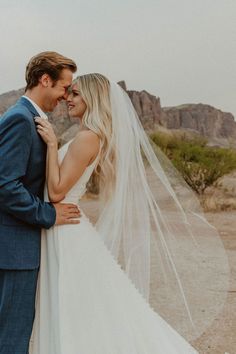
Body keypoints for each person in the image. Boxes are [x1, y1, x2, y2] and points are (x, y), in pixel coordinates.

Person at [31, 73, 228, 353]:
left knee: (77, 308)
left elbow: (57, 192)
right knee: (84, 308)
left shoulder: (87, 138)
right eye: (69, 93)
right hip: (64, 227)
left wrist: (51, 145)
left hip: (67, 231)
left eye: (76, 94)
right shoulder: (87, 135)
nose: (68, 99)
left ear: (93, 99)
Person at [0, 52, 81, 354]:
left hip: (16, 248)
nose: (65, 95)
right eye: (64, 87)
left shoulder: (28, 117)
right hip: (13, 250)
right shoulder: (20, 119)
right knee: (12, 336)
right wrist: (48, 213)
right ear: (45, 80)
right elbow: (5, 185)